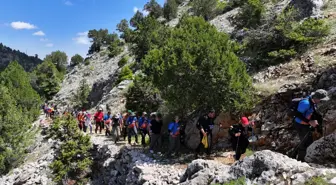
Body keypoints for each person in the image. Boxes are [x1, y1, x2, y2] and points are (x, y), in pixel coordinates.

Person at [293, 89, 329, 162]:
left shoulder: (312, 100)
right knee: (305, 142)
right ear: (316, 98)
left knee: (308, 141)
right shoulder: (305, 103)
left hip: (306, 124)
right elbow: (297, 115)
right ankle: (300, 161)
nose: (321, 101)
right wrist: (309, 121)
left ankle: (300, 158)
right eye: (320, 99)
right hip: (300, 125)